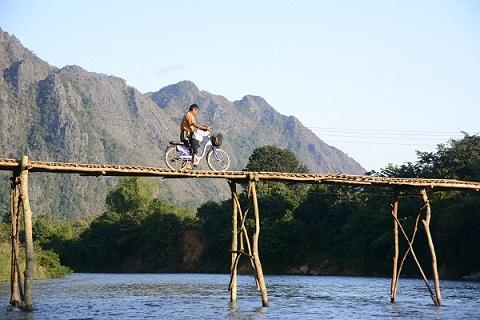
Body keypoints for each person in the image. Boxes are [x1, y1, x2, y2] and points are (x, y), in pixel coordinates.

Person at [180, 104, 211, 168]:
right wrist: (205, 128)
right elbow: (195, 124)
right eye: (196, 111)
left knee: (190, 150)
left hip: (187, 134)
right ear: (194, 109)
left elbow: (196, 124)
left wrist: (204, 127)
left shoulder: (189, 115)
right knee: (194, 149)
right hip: (187, 134)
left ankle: (188, 166)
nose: (196, 113)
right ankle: (191, 164)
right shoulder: (189, 115)